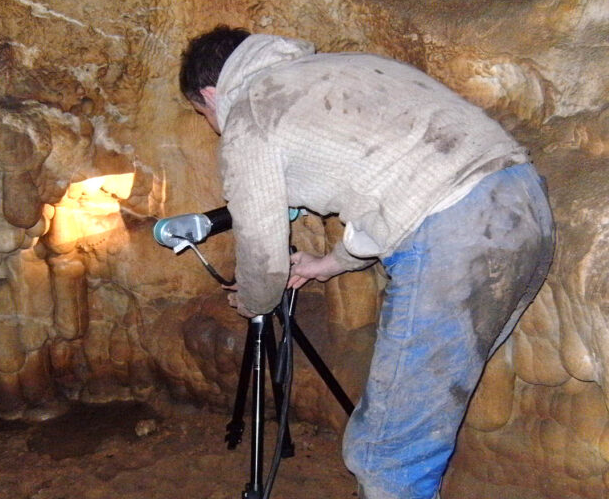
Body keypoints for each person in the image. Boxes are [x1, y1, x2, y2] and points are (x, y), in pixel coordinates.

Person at [179, 25, 554, 499]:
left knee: (386, 453)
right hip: (524, 206)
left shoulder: (252, 111)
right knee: (421, 415)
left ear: (211, 93)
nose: (213, 125)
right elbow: (403, 186)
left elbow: (261, 246)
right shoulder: (348, 66)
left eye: (203, 113)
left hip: (451, 238)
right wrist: (330, 263)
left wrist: (254, 299)